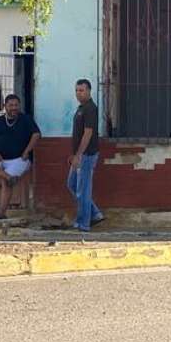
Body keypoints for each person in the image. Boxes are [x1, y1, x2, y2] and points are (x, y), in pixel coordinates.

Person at [0, 94, 40, 219]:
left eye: (16, 105)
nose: (14, 108)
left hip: (19, 160)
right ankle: (8, 176)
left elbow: (36, 135)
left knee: (6, 183)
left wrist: (27, 151)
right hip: (0, 159)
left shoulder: (26, 119)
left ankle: (1, 213)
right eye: (10, 105)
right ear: (5, 106)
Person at [67, 78, 105, 231]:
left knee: (82, 189)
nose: (78, 93)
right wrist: (74, 154)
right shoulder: (81, 108)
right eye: (77, 90)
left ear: (89, 91)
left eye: (81, 90)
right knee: (72, 184)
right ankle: (95, 213)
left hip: (87, 155)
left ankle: (83, 223)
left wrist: (78, 155)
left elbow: (88, 133)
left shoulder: (90, 108)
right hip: (79, 154)